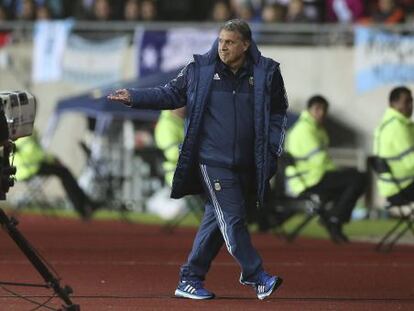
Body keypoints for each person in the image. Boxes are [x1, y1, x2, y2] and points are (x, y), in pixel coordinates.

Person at [108, 19, 287, 300]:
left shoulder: (267, 72)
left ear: (245, 45)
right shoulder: (200, 69)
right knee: (234, 219)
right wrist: (134, 97)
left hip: (248, 163)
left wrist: (273, 147)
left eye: (229, 42)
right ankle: (257, 276)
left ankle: (189, 279)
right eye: (220, 41)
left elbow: (278, 112)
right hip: (212, 160)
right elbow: (170, 93)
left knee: (216, 222)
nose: (223, 47)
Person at [285, 95, 366, 243]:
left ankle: (333, 220)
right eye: (317, 109)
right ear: (309, 110)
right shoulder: (304, 130)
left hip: (314, 177)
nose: (321, 112)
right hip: (309, 180)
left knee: (352, 180)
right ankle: (334, 217)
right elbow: (319, 161)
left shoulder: (316, 129)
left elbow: (322, 161)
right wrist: (338, 170)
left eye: (323, 109)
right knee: (358, 178)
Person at [13, 132, 98, 220]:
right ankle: (83, 206)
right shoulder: (25, 131)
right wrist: (53, 159)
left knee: (64, 172)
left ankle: (84, 204)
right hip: (29, 168)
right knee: (64, 172)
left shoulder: (17, 131)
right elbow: (36, 154)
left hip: (22, 170)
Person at [373, 86, 414, 204]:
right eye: (406, 101)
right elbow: (411, 163)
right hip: (400, 187)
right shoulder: (397, 127)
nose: (411, 105)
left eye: (411, 101)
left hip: (394, 186)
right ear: (393, 103)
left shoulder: (394, 123)